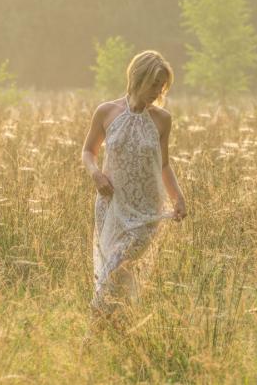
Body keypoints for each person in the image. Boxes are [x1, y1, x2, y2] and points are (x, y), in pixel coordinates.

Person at [81, 50, 187, 319]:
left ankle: (89, 338)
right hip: (111, 205)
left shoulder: (162, 120)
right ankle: (119, 331)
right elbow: (88, 152)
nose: (157, 90)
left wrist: (178, 198)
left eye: (162, 85)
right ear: (137, 78)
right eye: (154, 83)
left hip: (146, 212)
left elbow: (163, 164)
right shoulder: (106, 112)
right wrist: (95, 174)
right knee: (115, 275)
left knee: (113, 270)